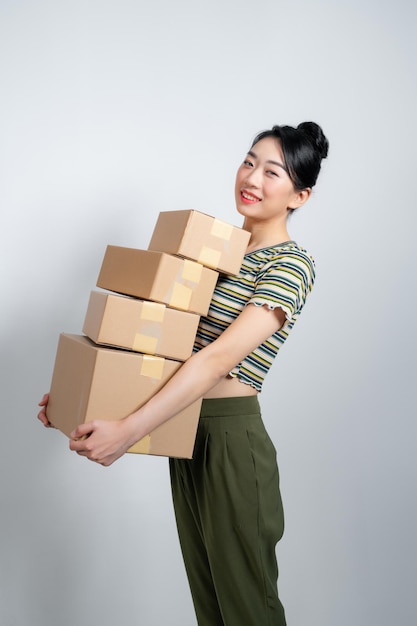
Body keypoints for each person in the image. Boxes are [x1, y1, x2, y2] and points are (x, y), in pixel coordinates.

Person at [38, 121, 329, 626]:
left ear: (300, 196)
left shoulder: (291, 263)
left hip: (233, 439)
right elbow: (160, 346)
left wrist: (129, 431)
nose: (252, 177)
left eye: (273, 172)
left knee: (247, 610)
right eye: (249, 161)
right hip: (185, 431)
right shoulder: (215, 256)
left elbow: (215, 359)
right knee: (211, 607)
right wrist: (81, 398)